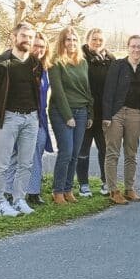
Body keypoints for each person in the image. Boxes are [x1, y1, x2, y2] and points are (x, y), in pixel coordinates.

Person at [0, 22, 42, 217]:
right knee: (3, 164)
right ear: (14, 37)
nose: (27, 40)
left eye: (30, 37)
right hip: (8, 118)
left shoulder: (35, 63)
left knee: (26, 163)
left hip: (31, 118)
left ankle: (19, 200)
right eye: (23, 35)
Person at [4, 31, 54, 206]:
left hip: (38, 117)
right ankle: (8, 192)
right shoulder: (16, 64)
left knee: (36, 153)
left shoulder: (44, 68)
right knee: (14, 155)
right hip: (16, 115)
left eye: (42, 46)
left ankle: (33, 191)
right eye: (36, 45)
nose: (39, 49)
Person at [48, 27, 94, 205]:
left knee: (75, 153)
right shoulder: (55, 62)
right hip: (61, 112)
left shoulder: (82, 62)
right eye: (68, 39)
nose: (72, 43)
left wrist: (90, 113)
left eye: (74, 40)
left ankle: (68, 189)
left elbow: (86, 89)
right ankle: (57, 191)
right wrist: (68, 116)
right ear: (62, 42)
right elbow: (58, 92)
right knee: (66, 151)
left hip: (81, 112)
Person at [102, 35, 140, 205]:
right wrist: (107, 116)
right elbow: (108, 91)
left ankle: (129, 189)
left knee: (131, 154)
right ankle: (113, 191)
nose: (136, 49)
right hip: (116, 113)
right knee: (112, 153)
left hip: (136, 114)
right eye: (133, 46)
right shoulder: (118, 65)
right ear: (128, 47)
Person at [78, 28, 114, 196]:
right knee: (83, 150)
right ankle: (83, 184)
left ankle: (105, 182)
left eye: (100, 39)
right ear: (87, 40)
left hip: (104, 113)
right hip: (86, 111)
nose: (97, 42)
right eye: (94, 39)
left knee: (104, 149)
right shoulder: (80, 58)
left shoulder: (110, 59)